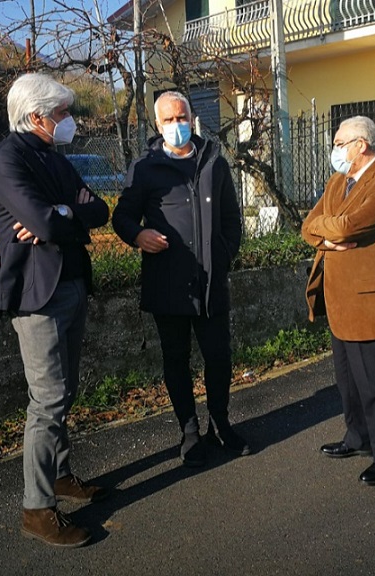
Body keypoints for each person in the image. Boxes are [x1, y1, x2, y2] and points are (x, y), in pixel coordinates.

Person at [0, 73, 111, 548]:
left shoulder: (52, 157)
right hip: (38, 294)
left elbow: (97, 209)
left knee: (66, 390)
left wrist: (60, 214)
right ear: (35, 116)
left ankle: (59, 476)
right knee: (48, 400)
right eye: (60, 113)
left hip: (73, 283)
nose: (68, 121)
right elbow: (39, 221)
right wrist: (59, 214)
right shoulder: (5, 159)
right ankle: (37, 509)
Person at [112, 91, 248, 468]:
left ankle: (220, 424)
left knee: (219, 358)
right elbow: (122, 217)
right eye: (169, 120)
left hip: (210, 284)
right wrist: (138, 236)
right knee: (176, 359)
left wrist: (222, 256)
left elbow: (231, 220)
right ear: (158, 126)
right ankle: (189, 431)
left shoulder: (213, 163)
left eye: (182, 117)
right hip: (168, 284)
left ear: (192, 118)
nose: (177, 126)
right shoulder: (145, 167)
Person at [302, 115, 375, 486]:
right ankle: (358, 437)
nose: (334, 151)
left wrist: (327, 229)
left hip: (371, 299)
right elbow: (308, 225)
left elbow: (350, 225)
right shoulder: (338, 182)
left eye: (338, 143)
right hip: (339, 299)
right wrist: (326, 238)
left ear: (360, 145)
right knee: (348, 381)